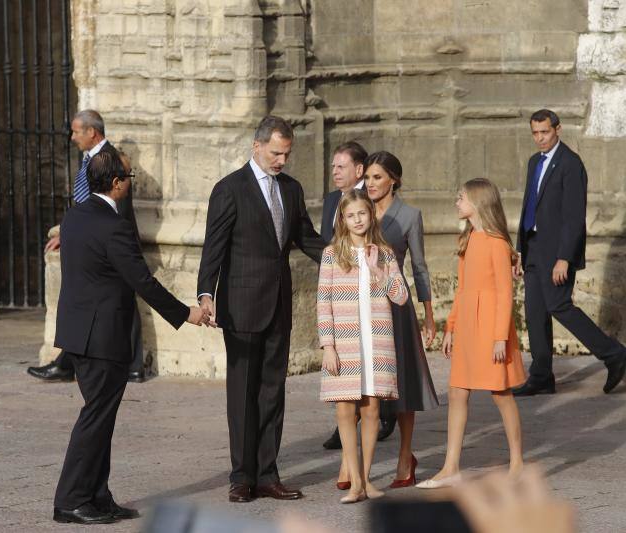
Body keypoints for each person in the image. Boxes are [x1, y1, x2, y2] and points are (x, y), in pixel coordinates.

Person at [52, 151, 209, 524]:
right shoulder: (113, 225)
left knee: (101, 416)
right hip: (103, 336)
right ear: (118, 182)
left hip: (80, 333)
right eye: (129, 175)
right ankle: (71, 500)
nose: (130, 181)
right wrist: (186, 313)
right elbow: (141, 280)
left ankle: (96, 495)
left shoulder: (75, 216)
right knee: (96, 417)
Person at [197, 116, 325, 503]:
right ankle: (241, 476)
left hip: (279, 306)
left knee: (273, 392)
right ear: (256, 147)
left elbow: (306, 238)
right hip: (240, 307)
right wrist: (206, 294)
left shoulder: (292, 188)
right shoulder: (229, 189)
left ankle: (268, 474)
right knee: (242, 393)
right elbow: (213, 248)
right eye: (275, 153)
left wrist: (347, 258)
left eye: (286, 153)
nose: (282, 160)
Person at [512, 109, 626, 396]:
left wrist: (564, 257)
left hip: (556, 251)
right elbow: (529, 207)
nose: (540, 138)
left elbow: (573, 216)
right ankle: (541, 375)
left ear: (558, 129)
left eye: (545, 132)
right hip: (532, 247)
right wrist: (519, 250)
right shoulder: (534, 162)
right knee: (534, 311)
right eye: (535, 133)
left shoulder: (570, 163)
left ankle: (614, 354)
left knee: (559, 306)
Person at [418, 179, 526, 489]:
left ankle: (517, 461)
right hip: (467, 324)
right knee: (456, 392)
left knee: (501, 393)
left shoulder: (496, 243)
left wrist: (499, 338)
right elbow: (462, 290)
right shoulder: (468, 240)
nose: (456, 202)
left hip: (491, 327)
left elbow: (506, 295)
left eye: (461, 198)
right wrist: (451, 327)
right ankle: (450, 466)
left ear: (477, 203)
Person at [27, 109, 147, 383]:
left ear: (91, 132)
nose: (72, 137)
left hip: (110, 239)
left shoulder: (112, 160)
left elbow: (118, 207)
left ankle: (131, 365)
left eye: (77, 131)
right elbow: (86, 204)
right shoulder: (91, 159)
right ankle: (70, 362)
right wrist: (69, 233)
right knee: (110, 298)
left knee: (124, 298)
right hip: (98, 238)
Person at [317, 189, 408, 503]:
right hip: (344, 344)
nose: (357, 220)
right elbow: (323, 303)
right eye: (350, 215)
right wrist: (327, 345)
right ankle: (354, 482)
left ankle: (367, 480)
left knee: (371, 411)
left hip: (376, 342)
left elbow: (400, 296)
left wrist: (377, 270)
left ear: (371, 214)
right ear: (343, 219)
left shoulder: (383, 252)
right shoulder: (331, 254)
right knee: (345, 411)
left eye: (362, 214)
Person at [362, 151, 439, 488]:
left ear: (394, 179)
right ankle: (352, 464)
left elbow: (420, 268)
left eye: (377, 177)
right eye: (366, 177)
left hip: (396, 304)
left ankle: (405, 456)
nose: (370, 184)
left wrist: (429, 316)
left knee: (404, 383)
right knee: (361, 385)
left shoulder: (410, 215)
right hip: (361, 303)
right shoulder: (356, 208)